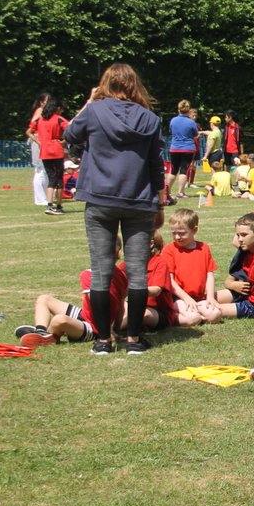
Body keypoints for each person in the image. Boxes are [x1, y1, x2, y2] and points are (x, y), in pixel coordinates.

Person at [63, 63, 165, 354]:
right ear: (135, 86)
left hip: (100, 199)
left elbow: (70, 134)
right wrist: (159, 201)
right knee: (138, 273)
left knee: (101, 272)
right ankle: (133, 339)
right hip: (139, 201)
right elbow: (156, 164)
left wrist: (89, 101)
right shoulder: (149, 118)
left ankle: (103, 339)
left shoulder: (94, 111)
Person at [17, 245, 127, 349]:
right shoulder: (120, 276)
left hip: (95, 329)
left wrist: (109, 331)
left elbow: (98, 306)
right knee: (44, 299)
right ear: (118, 253)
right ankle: (41, 332)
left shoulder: (91, 275)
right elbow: (120, 307)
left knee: (59, 320)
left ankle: (49, 338)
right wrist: (116, 328)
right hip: (86, 316)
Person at [162, 209, 221, 326]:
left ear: (194, 230)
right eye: (174, 233)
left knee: (215, 315)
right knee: (193, 319)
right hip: (177, 298)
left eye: (182, 233)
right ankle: (165, 316)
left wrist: (210, 297)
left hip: (198, 297)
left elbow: (209, 274)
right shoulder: (169, 250)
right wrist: (186, 298)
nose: (177, 237)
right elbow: (170, 281)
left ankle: (198, 315)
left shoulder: (204, 248)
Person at [29, 96, 69, 215]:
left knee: (51, 178)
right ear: (57, 108)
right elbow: (70, 130)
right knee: (59, 179)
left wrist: (38, 141)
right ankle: (59, 205)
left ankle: (49, 204)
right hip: (56, 149)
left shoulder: (40, 119)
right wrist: (63, 141)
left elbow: (29, 131)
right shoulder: (59, 119)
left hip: (45, 150)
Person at [167, 100, 200, 200]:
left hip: (175, 148)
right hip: (188, 149)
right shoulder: (191, 122)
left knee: (173, 170)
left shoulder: (173, 120)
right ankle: (180, 192)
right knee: (184, 170)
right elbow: (195, 134)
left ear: (179, 110)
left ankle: (167, 192)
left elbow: (170, 131)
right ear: (188, 110)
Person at [27, 93, 51, 207]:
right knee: (40, 170)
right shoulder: (40, 111)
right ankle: (40, 199)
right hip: (38, 141)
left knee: (45, 170)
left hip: (44, 141)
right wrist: (38, 141)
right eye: (47, 100)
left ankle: (45, 196)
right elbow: (32, 126)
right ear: (42, 102)